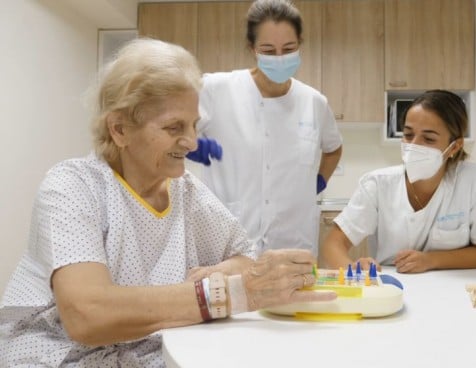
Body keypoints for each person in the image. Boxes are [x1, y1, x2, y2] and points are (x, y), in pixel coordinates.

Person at [0, 38, 335, 367]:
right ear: (119, 129)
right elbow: (87, 315)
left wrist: (219, 275)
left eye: (193, 126)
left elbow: (244, 258)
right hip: (58, 354)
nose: (191, 143)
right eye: (174, 127)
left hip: (148, 351)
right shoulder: (72, 186)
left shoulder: (185, 191)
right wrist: (226, 294)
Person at [187, 0, 343, 257]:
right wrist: (189, 144)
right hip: (230, 241)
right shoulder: (216, 89)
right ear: (252, 48)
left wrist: (318, 182)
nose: (279, 58)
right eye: (268, 51)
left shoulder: (314, 102)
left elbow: (334, 149)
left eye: (288, 48)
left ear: (300, 44)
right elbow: (170, 129)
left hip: (293, 242)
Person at [320, 90, 476, 274]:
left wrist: (431, 260)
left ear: (454, 146)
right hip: (395, 284)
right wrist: (354, 268)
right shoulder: (378, 184)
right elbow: (333, 244)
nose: (414, 145)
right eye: (408, 134)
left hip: (454, 287)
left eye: (429, 139)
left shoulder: (473, 181)